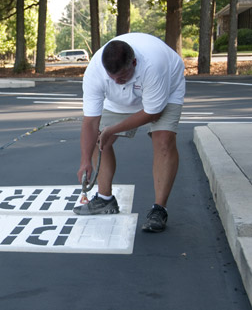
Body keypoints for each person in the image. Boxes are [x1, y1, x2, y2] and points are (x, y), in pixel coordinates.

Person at [73, 32, 185, 233]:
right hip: (118, 100)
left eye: (122, 76)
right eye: (112, 77)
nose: (117, 81)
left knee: (164, 140)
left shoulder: (154, 65)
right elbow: (90, 122)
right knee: (98, 139)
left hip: (166, 88)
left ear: (133, 62)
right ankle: (105, 199)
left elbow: (152, 112)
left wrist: (112, 130)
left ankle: (159, 209)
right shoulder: (95, 72)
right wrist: (84, 161)